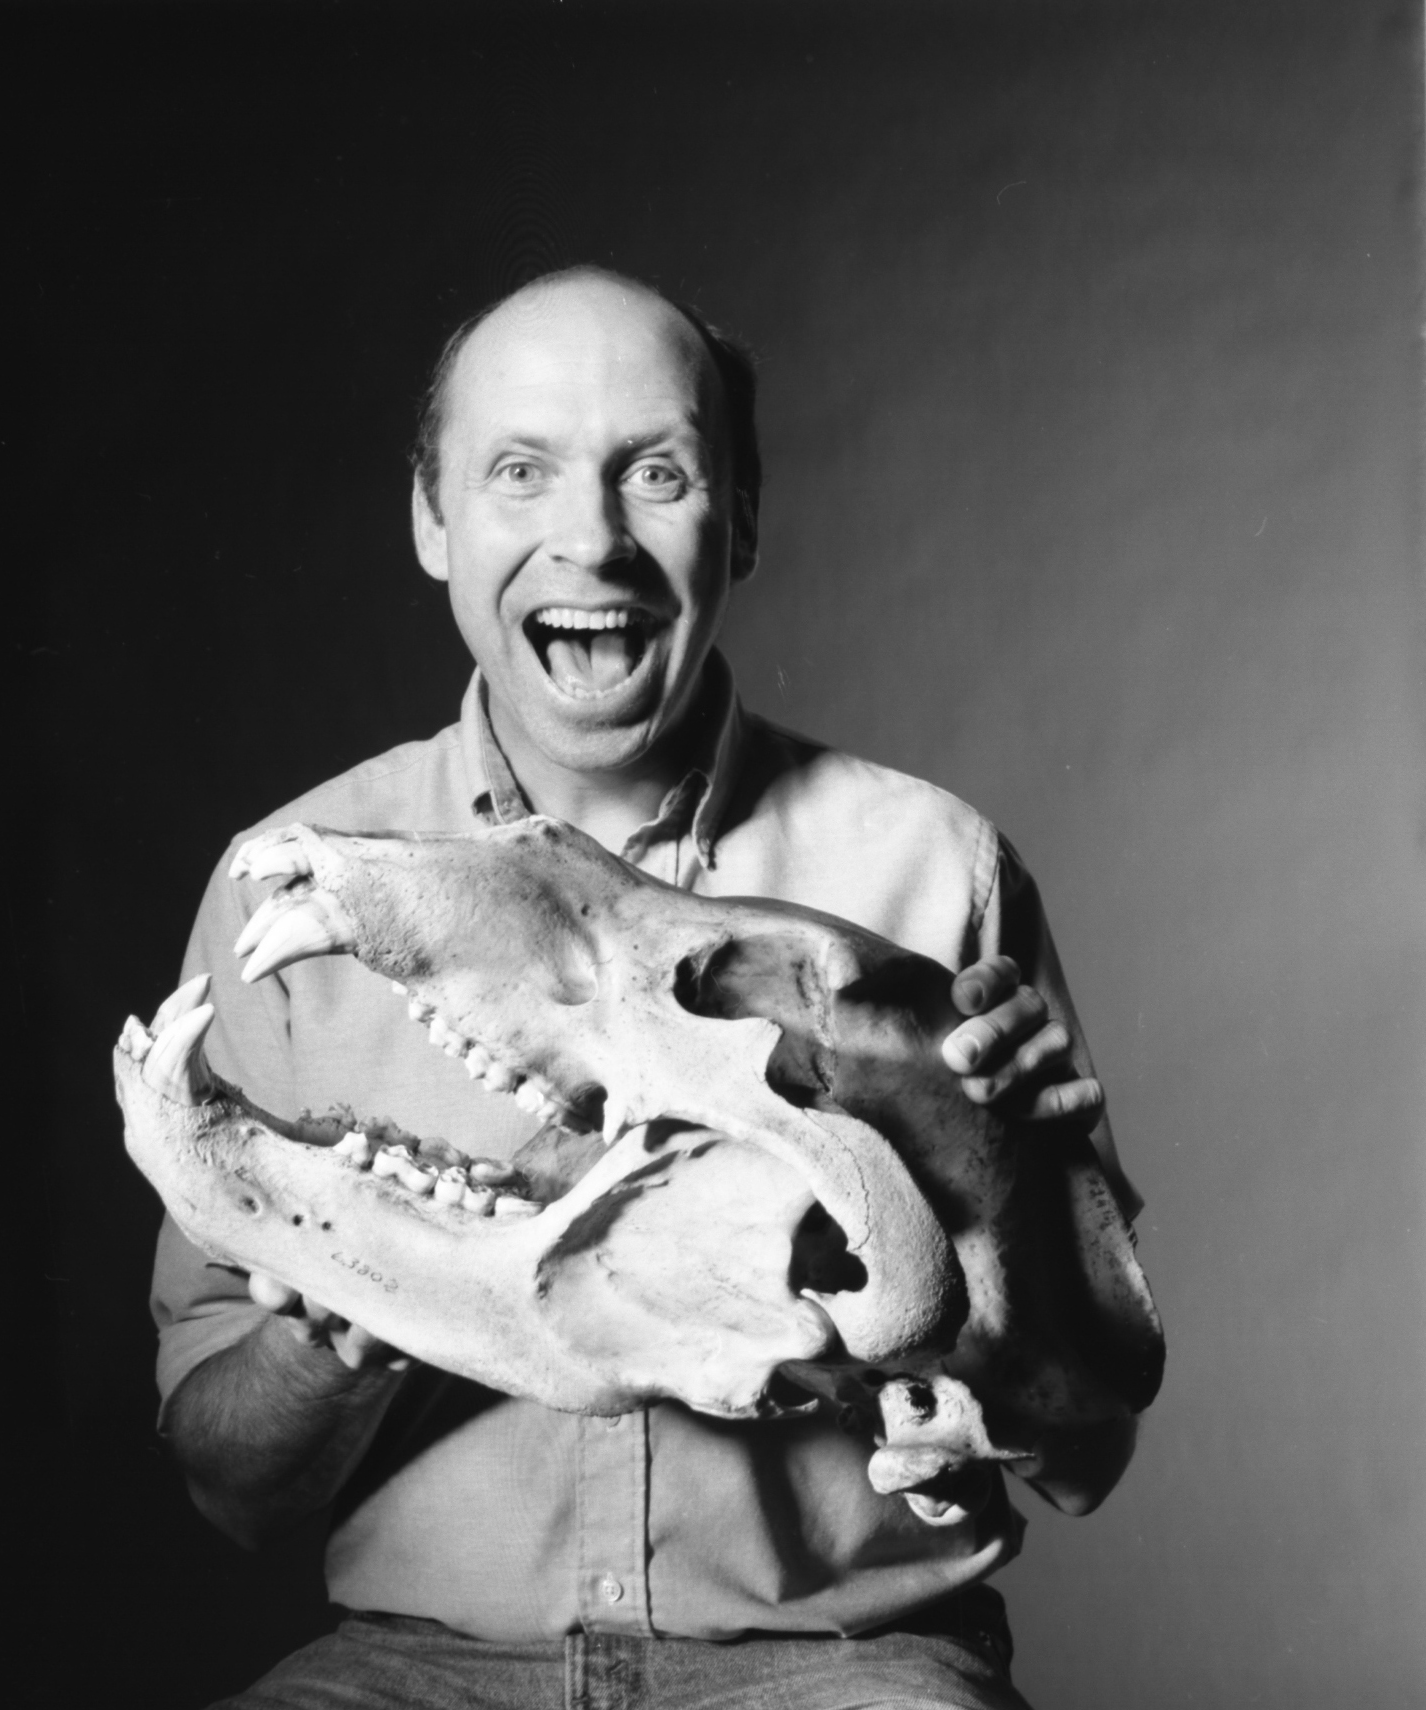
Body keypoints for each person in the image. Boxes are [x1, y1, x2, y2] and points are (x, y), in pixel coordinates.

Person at [149, 266, 1144, 1710]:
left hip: (840, 1671)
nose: (591, 541)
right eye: (520, 472)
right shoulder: (287, 894)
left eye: (658, 474)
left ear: (742, 515)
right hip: (415, 1670)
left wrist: (1012, 1204)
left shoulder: (935, 869)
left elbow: (1093, 1445)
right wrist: (349, 1308)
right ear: (433, 519)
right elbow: (230, 1483)